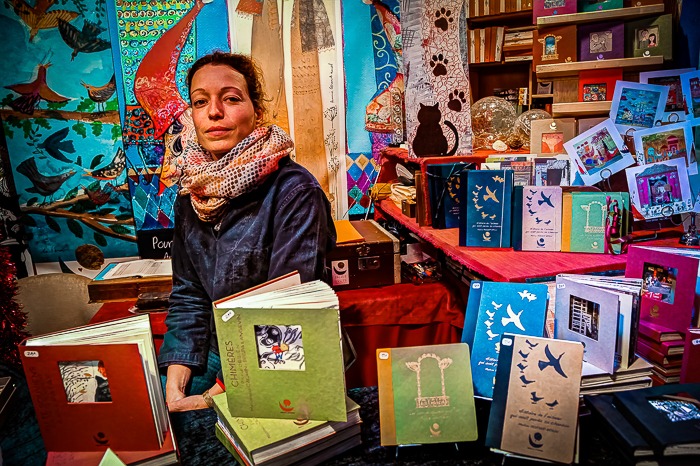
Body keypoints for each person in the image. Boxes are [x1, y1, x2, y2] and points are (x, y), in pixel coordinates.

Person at [157, 52, 336, 411]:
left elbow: (289, 315)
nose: (214, 112)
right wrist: (174, 382)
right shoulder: (191, 192)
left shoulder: (295, 193)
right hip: (210, 352)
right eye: (200, 101)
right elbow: (189, 294)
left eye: (231, 98)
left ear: (257, 111)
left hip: (278, 358)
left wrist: (217, 397)